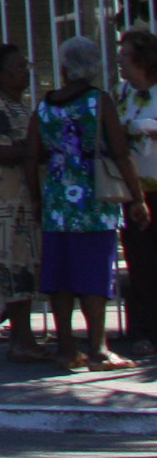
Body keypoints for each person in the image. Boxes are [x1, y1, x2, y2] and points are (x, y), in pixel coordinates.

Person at [33, 35, 151, 370]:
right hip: (93, 197)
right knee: (94, 271)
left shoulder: (46, 104)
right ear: (94, 67)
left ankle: (67, 347)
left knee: (60, 275)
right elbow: (119, 150)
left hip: (57, 196)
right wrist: (137, 197)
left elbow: (33, 152)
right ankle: (98, 348)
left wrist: (36, 197)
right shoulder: (98, 101)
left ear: (64, 66)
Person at [0, 41, 46, 363]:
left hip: (24, 197)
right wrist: (33, 151)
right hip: (8, 200)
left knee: (27, 267)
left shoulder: (22, 105)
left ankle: (25, 337)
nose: (25, 73)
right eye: (19, 67)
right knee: (14, 268)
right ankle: (21, 339)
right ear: (1, 74)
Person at [118, 29, 157, 359]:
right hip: (134, 191)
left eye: (125, 53)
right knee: (141, 262)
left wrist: (148, 127)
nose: (120, 59)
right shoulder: (121, 94)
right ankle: (144, 331)